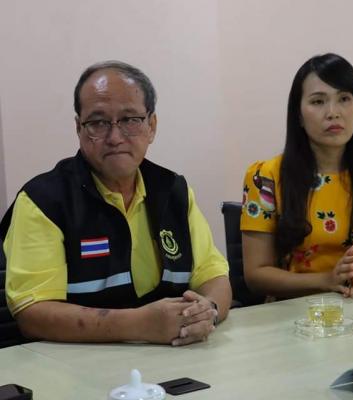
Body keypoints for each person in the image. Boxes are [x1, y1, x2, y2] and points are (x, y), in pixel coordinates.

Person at [0, 61, 231, 345]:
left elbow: (214, 277)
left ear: (151, 126)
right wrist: (140, 325)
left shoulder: (174, 191)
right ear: (79, 128)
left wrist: (207, 311)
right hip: (75, 364)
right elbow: (32, 314)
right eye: (98, 122)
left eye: (130, 119)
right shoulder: (43, 200)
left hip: (171, 357)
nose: (115, 137)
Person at [241, 53, 353, 300]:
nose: (333, 113)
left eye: (344, 99)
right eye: (318, 101)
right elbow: (255, 275)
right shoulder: (265, 178)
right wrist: (326, 281)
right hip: (291, 312)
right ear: (298, 115)